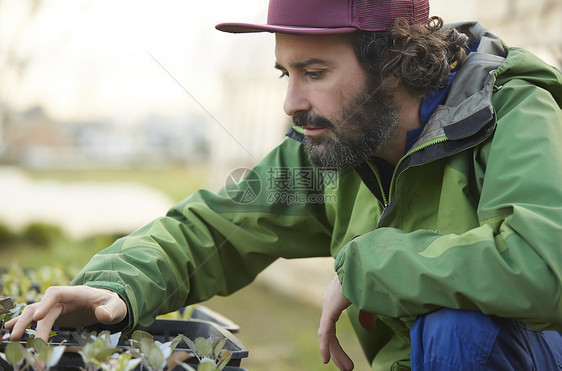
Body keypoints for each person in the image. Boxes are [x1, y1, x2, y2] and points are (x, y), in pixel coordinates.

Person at [6, 0, 562, 369]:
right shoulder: (336, 146)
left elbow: (543, 264)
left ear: (393, 64)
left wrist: (368, 264)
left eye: (314, 73)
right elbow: (213, 225)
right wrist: (118, 288)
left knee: (456, 327)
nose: (291, 102)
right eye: (286, 74)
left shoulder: (513, 111)